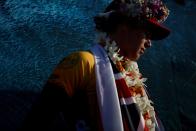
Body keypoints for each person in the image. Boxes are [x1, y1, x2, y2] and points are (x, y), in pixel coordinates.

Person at [20, 0, 171, 130]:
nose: (150, 43)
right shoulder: (84, 63)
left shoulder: (134, 80)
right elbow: (37, 122)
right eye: (147, 34)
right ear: (124, 28)